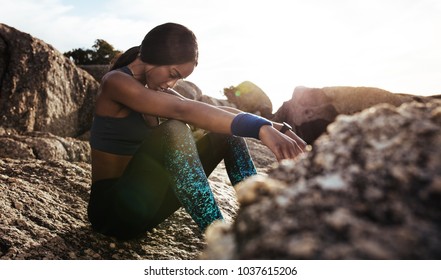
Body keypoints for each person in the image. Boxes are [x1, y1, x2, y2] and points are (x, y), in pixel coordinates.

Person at [87, 22, 306, 240]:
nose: (172, 84)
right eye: (173, 73)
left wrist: (278, 128)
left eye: (179, 79)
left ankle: (258, 221)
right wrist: (259, 130)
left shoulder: (151, 90)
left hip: (146, 209)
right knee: (173, 130)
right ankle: (220, 237)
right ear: (154, 55)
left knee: (225, 133)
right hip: (111, 214)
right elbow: (184, 110)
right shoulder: (116, 82)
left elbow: (211, 111)